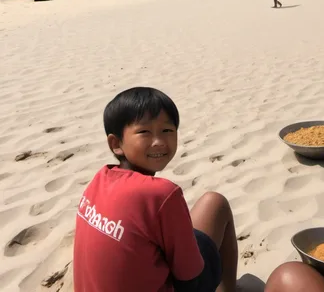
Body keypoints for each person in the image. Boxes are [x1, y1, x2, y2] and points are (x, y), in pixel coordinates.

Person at [73, 87, 238, 292]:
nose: (159, 142)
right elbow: (190, 279)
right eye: (144, 132)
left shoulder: (100, 178)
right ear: (116, 143)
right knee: (216, 204)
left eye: (167, 131)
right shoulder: (162, 194)